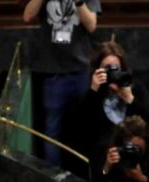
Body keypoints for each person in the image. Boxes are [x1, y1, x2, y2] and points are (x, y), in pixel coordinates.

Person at [23, 0, 100, 168]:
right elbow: (28, 16)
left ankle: (86, 175)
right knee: (52, 132)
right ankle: (53, 179)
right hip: (53, 72)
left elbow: (91, 25)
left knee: (86, 125)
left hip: (80, 70)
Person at [71, 42, 149, 178]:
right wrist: (94, 91)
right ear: (97, 70)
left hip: (136, 161)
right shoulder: (91, 94)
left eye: (116, 69)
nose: (112, 73)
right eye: (107, 69)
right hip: (104, 163)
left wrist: (130, 100)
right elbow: (81, 131)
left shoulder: (135, 89)